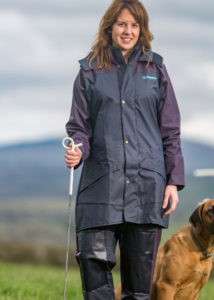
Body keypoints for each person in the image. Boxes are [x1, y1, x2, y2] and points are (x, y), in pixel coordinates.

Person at [64, 0, 184, 299]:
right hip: (100, 187)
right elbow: (79, 126)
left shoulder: (156, 70)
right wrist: (77, 149)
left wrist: (173, 182)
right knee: (95, 280)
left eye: (134, 25)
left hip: (147, 188)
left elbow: (170, 129)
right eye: (121, 24)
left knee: (139, 288)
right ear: (110, 27)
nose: (128, 31)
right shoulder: (89, 72)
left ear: (142, 29)